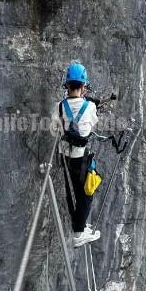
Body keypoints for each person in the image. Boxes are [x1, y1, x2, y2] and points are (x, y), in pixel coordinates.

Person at [57, 62, 100, 246]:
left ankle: (79, 226)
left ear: (67, 85)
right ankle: (78, 234)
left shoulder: (59, 106)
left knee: (71, 193)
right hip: (80, 158)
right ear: (83, 87)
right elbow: (92, 123)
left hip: (64, 157)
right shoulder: (89, 107)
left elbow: (55, 128)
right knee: (85, 194)